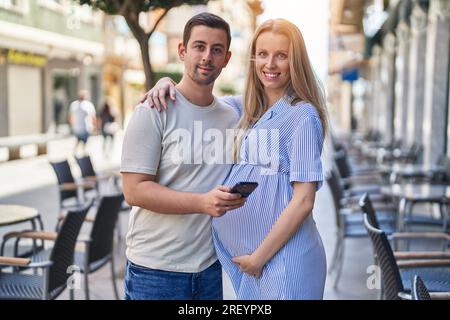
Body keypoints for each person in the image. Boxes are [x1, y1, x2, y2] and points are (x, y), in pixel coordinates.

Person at [145, 18, 328, 299]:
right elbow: (196, 95)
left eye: (282, 56)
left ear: (296, 62)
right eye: (263, 54)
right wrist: (165, 81)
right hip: (253, 265)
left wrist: (259, 258)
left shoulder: (302, 115)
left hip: (283, 260)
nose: (270, 64)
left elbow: (304, 201)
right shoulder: (243, 110)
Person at [120, 13, 247, 300]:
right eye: (199, 47)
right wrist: (203, 203)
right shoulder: (153, 109)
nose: (207, 57)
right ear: (182, 51)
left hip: (209, 268)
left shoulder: (233, 115)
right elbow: (133, 190)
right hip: (154, 270)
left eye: (216, 50)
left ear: (226, 59)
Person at [69, 89, 96, 155]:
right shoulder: (88, 105)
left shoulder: (74, 104)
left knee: (79, 141)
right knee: (83, 142)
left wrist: (72, 125)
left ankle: (77, 154)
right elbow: (93, 117)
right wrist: (94, 126)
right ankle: (82, 155)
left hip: (80, 127)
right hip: (84, 128)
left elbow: (70, 117)